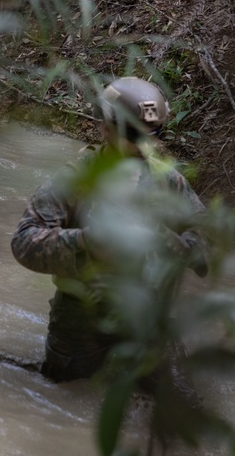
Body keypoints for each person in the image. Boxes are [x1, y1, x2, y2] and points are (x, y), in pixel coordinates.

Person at [11, 76, 210, 384]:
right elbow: (24, 241)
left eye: (155, 134)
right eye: (133, 134)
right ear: (105, 128)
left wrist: (182, 246)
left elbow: (205, 232)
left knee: (177, 400)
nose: (146, 145)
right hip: (81, 318)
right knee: (59, 399)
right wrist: (87, 243)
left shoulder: (168, 181)